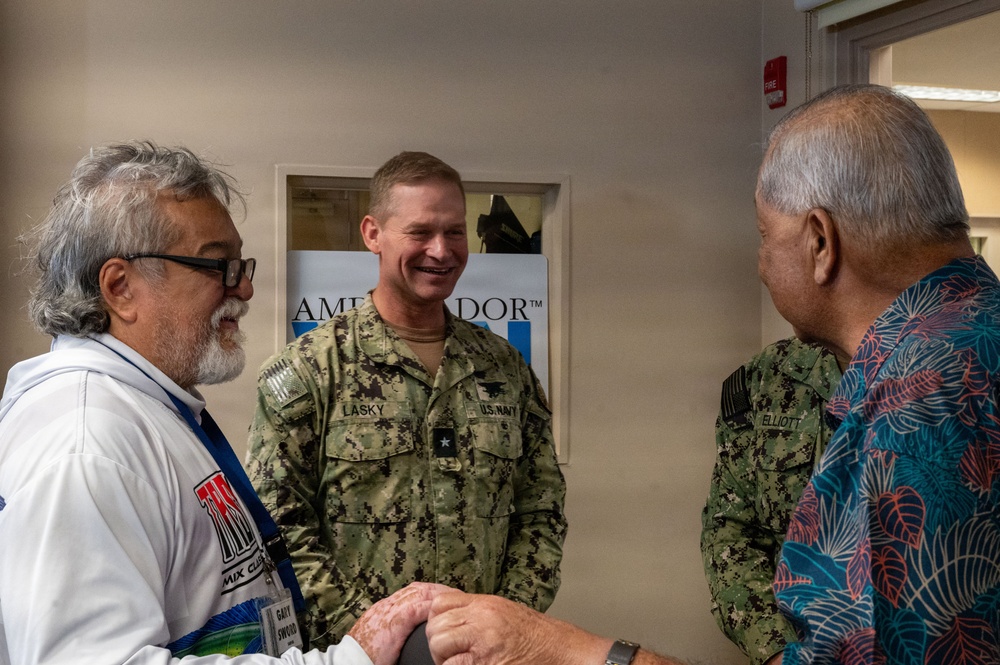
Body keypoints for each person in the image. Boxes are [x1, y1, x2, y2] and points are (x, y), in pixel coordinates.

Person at [0, 141, 438, 665]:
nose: (245, 288)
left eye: (240, 263)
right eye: (217, 266)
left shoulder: (148, 411)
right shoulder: (85, 443)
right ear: (120, 287)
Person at [246, 151, 567, 648]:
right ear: (373, 233)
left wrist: (507, 622)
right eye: (420, 232)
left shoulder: (503, 368)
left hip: (484, 655)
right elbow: (279, 524)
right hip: (351, 655)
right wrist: (369, 639)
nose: (441, 251)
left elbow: (540, 507)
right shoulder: (312, 368)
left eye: (455, 232)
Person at [756, 84, 1000, 663]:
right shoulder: (975, 338)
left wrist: (596, 655)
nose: (761, 266)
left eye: (765, 237)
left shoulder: (919, 398)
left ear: (820, 240)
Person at [701, 337, 841, 665]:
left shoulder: (946, 363)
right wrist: (778, 651)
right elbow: (730, 531)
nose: (762, 280)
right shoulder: (766, 377)